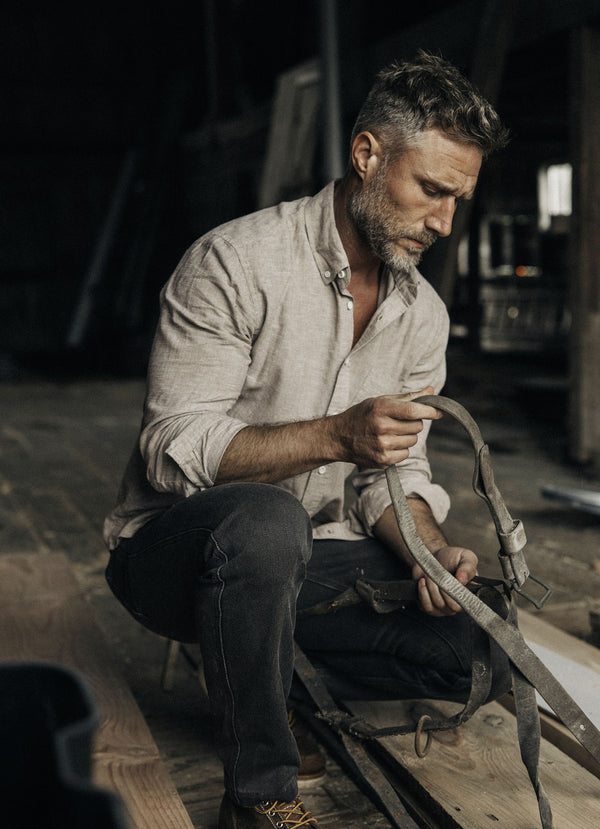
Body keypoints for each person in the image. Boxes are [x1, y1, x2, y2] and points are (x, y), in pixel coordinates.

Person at [104, 51, 510, 829]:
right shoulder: (234, 261)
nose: (444, 222)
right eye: (431, 190)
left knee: (481, 650)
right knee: (265, 520)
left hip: (305, 563)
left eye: (459, 200)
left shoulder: (421, 314)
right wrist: (335, 435)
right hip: (171, 558)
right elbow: (171, 445)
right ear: (367, 155)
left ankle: (261, 672)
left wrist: (427, 547)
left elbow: (392, 472)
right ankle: (258, 794)